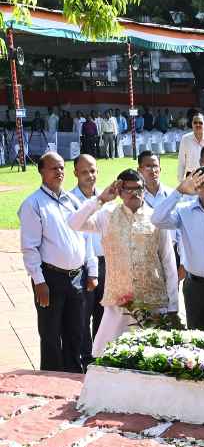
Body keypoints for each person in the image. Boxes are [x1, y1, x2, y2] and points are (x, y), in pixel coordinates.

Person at [68, 170, 178, 356]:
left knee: (152, 358)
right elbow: (74, 223)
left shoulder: (155, 218)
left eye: (138, 189)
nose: (134, 194)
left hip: (152, 302)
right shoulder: (107, 216)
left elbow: (168, 261)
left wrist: (173, 306)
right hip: (118, 303)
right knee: (111, 357)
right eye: (128, 189)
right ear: (119, 191)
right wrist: (101, 199)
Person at [19, 152, 97, 372]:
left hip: (76, 277)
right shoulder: (33, 204)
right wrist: (39, 282)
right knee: (51, 335)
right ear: (42, 172)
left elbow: (86, 237)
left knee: (75, 332)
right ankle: (50, 381)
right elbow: (30, 247)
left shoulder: (73, 201)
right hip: (50, 278)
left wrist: (92, 271)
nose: (59, 172)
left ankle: (72, 378)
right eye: (54, 168)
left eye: (62, 168)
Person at [150, 166, 204, 331]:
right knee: (197, 343)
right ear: (196, 187)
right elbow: (157, 219)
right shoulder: (185, 211)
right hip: (195, 288)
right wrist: (180, 191)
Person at [70, 154, 105, 360]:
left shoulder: (106, 198)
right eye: (84, 172)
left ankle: (100, 358)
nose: (89, 175)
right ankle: (84, 359)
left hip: (106, 264)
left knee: (104, 316)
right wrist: (91, 272)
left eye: (92, 171)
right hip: (83, 268)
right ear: (75, 173)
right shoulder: (70, 200)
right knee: (82, 317)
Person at [177, 113, 204, 182]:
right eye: (195, 122)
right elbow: (181, 161)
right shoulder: (185, 139)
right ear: (192, 124)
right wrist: (181, 179)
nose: (198, 125)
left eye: (200, 123)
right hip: (191, 177)